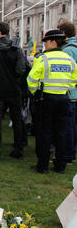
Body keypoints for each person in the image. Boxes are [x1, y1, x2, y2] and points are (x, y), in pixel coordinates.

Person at [27, 29, 77, 174]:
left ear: (53, 42)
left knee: (44, 132)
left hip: (46, 98)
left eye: (46, 42)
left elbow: (31, 79)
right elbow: (74, 77)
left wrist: (35, 91)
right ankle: (60, 165)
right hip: (63, 98)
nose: (45, 45)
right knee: (61, 131)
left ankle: (42, 166)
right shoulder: (69, 59)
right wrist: (66, 87)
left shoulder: (43, 59)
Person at [0, 22, 26, 161]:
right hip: (13, 89)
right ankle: (18, 148)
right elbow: (20, 69)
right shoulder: (17, 49)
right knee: (17, 119)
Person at [57, 21, 77, 164]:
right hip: (74, 91)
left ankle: (68, 154)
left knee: (68, 125)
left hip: (70, 93)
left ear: (63, 33)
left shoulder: (66, 51)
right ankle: (72, 151)